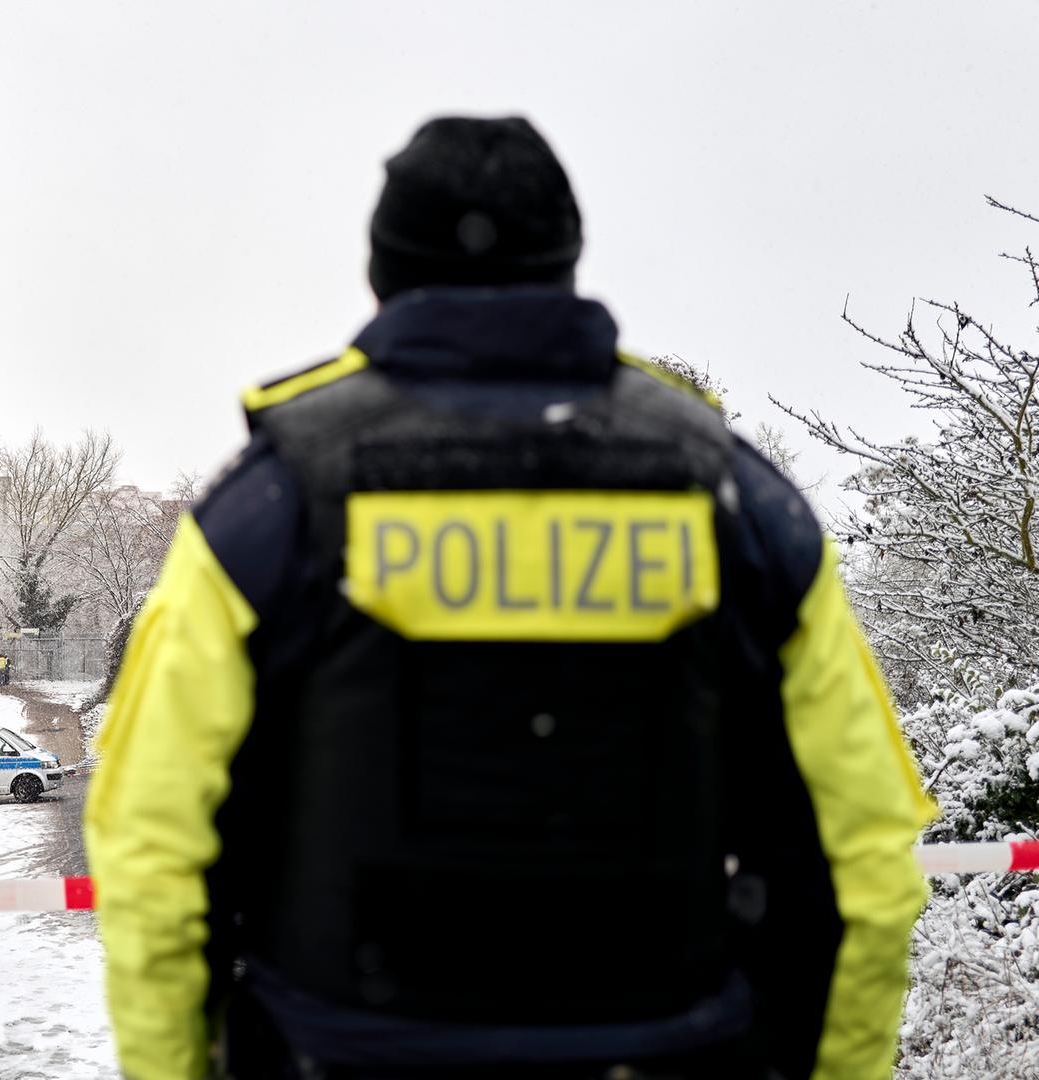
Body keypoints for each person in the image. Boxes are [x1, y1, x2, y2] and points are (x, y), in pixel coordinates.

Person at [83, 116, 935, 1080]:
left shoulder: (270, 509)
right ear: (567, 261)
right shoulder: (736, 501)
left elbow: (149, 847)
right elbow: (866, 857)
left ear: (383, 275)